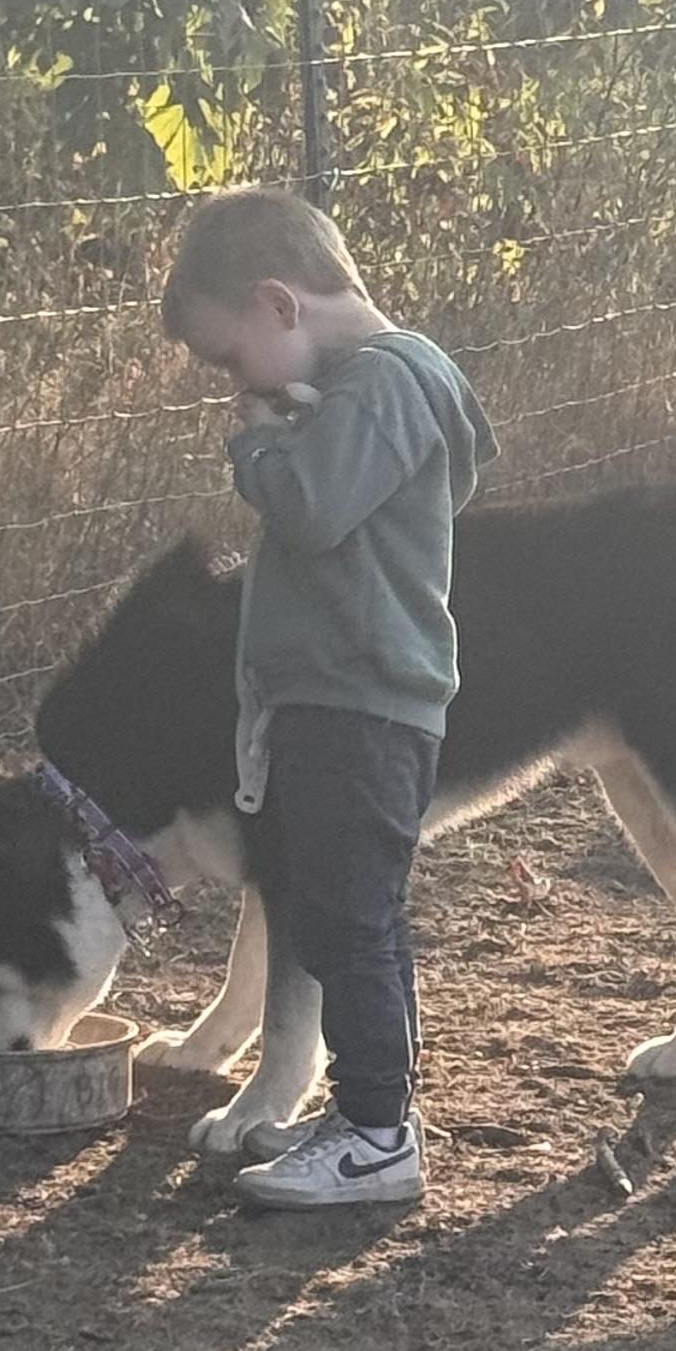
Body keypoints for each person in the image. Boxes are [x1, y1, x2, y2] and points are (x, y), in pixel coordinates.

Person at [160, 187, 498, 1209]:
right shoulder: (368, 391)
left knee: (348, 921)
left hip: (361, 700)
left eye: (231, 359)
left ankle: (377, 1136)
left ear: (279, 304)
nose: (236, 387)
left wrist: (259, 442)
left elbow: (310, 510)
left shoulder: (384, 383)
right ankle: (368, 1110)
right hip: (341, 696)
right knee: (347, 915)